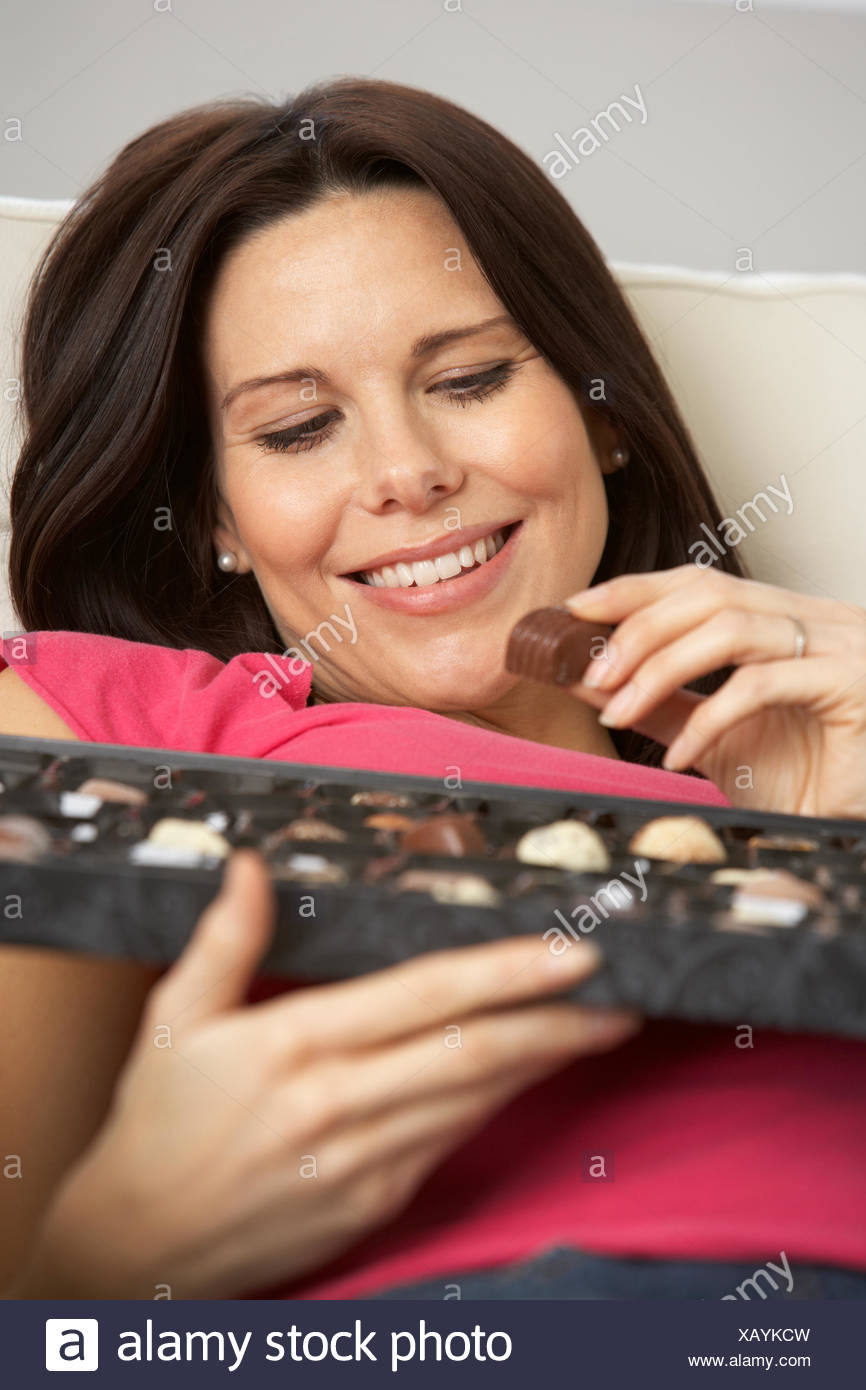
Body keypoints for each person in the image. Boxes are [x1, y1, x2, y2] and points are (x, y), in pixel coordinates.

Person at [1, 76, 865, 1301]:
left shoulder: (829, 710)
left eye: (467, 380)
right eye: (300, 428)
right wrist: (119, 1262)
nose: (407, 474)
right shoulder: (101, 715)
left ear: (597, 411)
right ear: (212, 521)